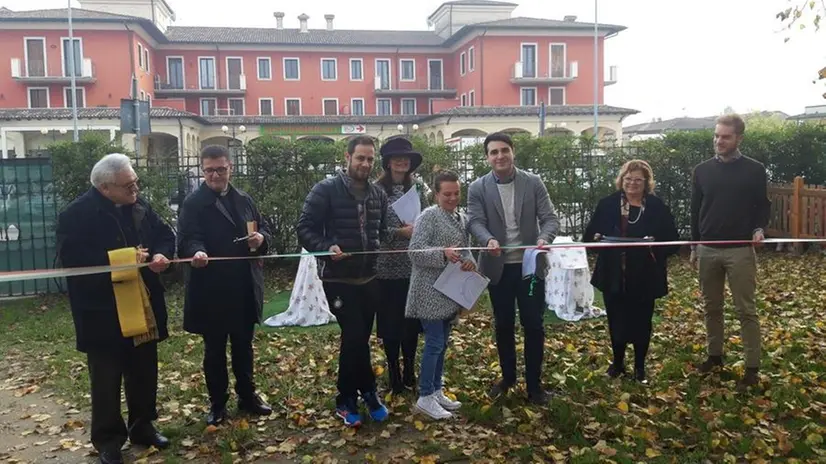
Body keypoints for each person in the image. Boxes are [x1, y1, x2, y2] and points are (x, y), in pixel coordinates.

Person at [56, 153, 174, 464]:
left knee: (144, 371)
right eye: (129, 185)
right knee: (106, 379)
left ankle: (143, 426)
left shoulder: (138, 204)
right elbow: (73, 262)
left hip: (143, 303)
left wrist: (161, 255)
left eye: (136, 182)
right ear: (106, 188)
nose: (136, 188)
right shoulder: (75, 215)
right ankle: (108, 441)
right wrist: (123, 259)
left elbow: (164, 234)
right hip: (102, 312)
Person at [297, 135, 390, 427]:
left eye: (370, 159)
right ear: (347, 158)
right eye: (360, 157)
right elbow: (304, 228)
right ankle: (357, 396)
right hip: (339, 280)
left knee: (359, 340)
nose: (365, 163)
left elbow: (383, 230)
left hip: (370, 278)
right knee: (353, 337)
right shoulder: (325, 190)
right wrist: (326, 248)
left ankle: (355, 394)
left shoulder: (378, 194)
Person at [177, 145, 273, 426]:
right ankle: (217, 404)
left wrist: (261, 240)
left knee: (244, 345)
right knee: (214, 350)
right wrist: (196, 251)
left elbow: (264, 228)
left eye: (220, 169)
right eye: (209, 170)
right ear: (203, 170)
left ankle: (247, 396)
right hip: (211, 288)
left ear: (231, 167)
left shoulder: (244, 199)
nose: (215, 175)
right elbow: (187, 237)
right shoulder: (193, 203)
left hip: (243, 285)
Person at [467, 132, 559, 404]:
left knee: (533, 325)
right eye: (493, 152)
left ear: (513, 152)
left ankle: (535, 386)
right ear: (487, 157)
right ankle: (508, 378)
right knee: (503, 324)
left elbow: (550, 219)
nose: (499, 156)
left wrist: (544, 239)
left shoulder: (533, 183)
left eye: (504, 150)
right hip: (498, 268)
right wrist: (488, 239)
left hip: (529, 268)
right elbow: (475, 222)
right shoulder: (478, 188)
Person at [690, 114, 770, 388]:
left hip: (740, 250)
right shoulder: (702, 170)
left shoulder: (755, 169)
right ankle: (715, 356)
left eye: (725, 137)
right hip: (708, 249)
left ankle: (752, 368)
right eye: (716, 136)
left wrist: (759, 228)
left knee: (746, 310)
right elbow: (695, 210)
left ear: (739, 139)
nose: (718, 141)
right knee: (712, 307)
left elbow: (763, 205)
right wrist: (694, 244)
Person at [584, 160, 679, 382]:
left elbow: (673, 241)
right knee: (616, 320)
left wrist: (654, 244)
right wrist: (598, 238)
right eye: (628, 179)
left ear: (646, 182)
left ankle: (639, 368)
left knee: (641, 321)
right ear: (621, 180)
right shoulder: (607, 204)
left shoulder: (656, 207)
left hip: (645, 274)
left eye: (638, 180)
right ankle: (617, 364)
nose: (632, 184)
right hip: (614, 274)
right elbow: (588, 238)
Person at [406, 171, 472, 420]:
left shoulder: (461, 217)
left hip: (450, 290)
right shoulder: (428, 217)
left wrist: (468, 262)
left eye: (456, 193)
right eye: (447, 194)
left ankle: (435, 391)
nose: (452, 198)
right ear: (436, 194)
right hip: (428, 291)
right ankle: (424, 397)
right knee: (434, 343)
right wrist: (442, 253)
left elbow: (466, 250)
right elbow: (414, 252)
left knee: (442, 343)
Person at [375, 137, 430, 394]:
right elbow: (372, 230)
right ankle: (394, 372)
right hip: (386, 268)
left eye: (406, 158)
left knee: (410, 323)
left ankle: (409, 368)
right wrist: (400, 233)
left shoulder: (417, 189)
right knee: (390, 324)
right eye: (397, 157)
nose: (402, 161)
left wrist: (420, 231)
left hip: (412, 266)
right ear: (387, 162)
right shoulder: (376, 191)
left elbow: (428, 220)